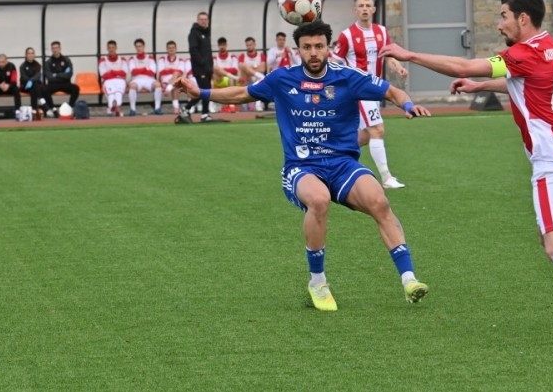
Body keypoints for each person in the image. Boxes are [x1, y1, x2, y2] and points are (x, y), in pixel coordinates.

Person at [380, 0, 553, 343]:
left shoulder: (523, 52)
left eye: (503, 16)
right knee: (549, 238)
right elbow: (525, 82)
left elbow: (464, 65)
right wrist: (480, 86)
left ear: (523, 18)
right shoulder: (551, 47)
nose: (499, 24)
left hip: (552, 162)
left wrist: (408, 54)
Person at [173, 20, 432, 311]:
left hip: (342, 165)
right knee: (319, 201)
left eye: (319, 46)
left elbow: (392, 92)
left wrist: (408, 105)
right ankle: (318, 282)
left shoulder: (347, 77)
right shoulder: (282, 78)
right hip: (302, 167)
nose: (313, 52)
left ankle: (409, 280)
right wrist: (200, 93)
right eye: (307, 47)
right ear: (298, 50)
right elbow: (242, 93)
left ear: (328, 48)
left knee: (379, 201)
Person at [333, 0, 408, 189]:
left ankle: (333, 153)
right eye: (361, 6)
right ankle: (386, 178)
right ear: (355, 10)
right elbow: (335, 62)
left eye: (368, 5)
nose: (365, 9)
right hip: (358, 90)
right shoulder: (347, 35)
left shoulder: (381, 32)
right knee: (377, 129)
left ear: (373, 9)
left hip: (375, 90)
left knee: (366, 135)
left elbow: (389, 56)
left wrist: (398, 67)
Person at [187, 12, 213, 122]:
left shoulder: (206, 33)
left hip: (207, 68)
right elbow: (193, 50)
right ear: (197, 20)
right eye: (201, 19)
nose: (203, 21)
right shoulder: (194, 33)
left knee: (206, 91)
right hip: (200, 68)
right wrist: (202, 62)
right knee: (204, 91)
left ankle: (190, 110)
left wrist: (210, 65)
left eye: (205, 19)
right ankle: (202, 113)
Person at [128, 38, 163, 116]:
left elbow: (152, 72)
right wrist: (145, 69)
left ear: (143, 46)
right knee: (132, 86)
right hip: (137, 79)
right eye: (137, 46)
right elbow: (133, 71)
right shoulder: (132, 58)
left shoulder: (150, 57)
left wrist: (139, 70)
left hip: (149, 79)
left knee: (157, 85)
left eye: (140, 46)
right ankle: (132, 109)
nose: (138, 48)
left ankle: (157, 108)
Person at [44, 40, 80, 115]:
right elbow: (49, 77)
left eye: (57, 48)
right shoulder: (48, 62)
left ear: (60, 48)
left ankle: (69, 107)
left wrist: (56, 75)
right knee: (44, 90)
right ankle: (53, 109)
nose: (55, 50)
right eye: (53, 48)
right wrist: (62, 75)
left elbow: (69, 74)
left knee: (76, 88)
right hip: (53, 84)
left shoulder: (66, 60)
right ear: (51, 49)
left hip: (65, 83)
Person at [157, 40, 190, 116]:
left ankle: (168, 90)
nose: (171, 49)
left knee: (176, 77)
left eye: (173, 48)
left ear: (176, 49)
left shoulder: (180, 60)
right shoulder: (162, 59)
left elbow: (180, 72)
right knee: (175, 81)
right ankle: (176, 106)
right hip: (165, 80)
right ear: (167, 49)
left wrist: (169, 70)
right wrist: (173, 70)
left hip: (173, 81)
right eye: (169, 48)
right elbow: (162, 72)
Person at [0, 53, 21, 119]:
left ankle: (17, 111)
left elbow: (14, 81)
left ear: (6, 61)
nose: (1, 64)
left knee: (16, 89)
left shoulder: (12, 66)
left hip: (9, 87)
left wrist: (8, 85)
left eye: (3, 62)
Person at [98, 40, 128, 117]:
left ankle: (113, 108)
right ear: (107, 48)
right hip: (108, 81)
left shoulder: (122, 59)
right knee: (111, 94)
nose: (111, 49)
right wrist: (117, 73)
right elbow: (104, 75)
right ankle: (114, 108)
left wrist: (112, 72)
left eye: (113, 47)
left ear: (116, 48)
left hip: (120, 80)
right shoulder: (103, 60)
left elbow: (124, 73)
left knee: (118, 93)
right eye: (109, 48)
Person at [19, 47, 47, 113]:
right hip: (25, 86)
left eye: (32, 53)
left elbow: (37, 75)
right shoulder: (22, 66)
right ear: (26, 55)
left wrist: (31, 81)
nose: (30, 55)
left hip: (34, 86)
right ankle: (44, 105)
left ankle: (34, 110)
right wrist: (30, 81)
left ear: (34, 55)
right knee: (35, 86)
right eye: (29, 53)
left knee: (34, 88)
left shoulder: (38, 65)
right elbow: (24, 77)